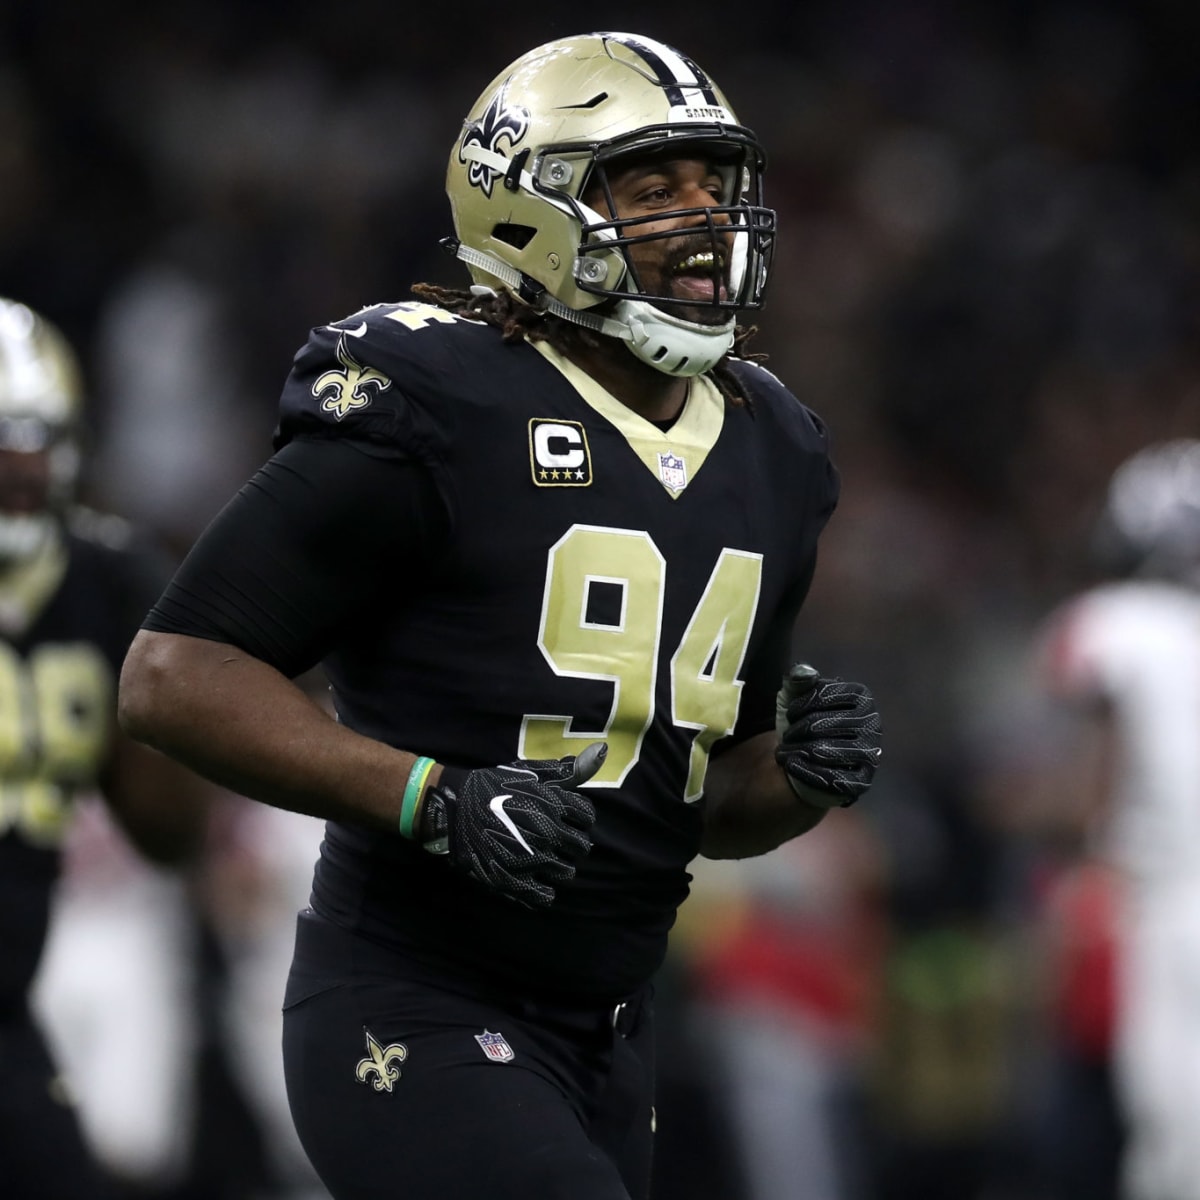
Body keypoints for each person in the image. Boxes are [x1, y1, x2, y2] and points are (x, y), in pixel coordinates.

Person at [117, 31, 883, 1200]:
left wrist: (801, 780)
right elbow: (172, 675)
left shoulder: (776, 445)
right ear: (533, 206)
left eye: (715, 187)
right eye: (652, 184)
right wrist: (431, 798)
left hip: (613, 1030)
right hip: (417, 999)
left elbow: (705, 799)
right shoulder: (438, 399)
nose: (702, 217)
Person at [0, 297, 211, 1199]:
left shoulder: (110, 583)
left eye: (37, 433)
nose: (21, 461)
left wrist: (174, 703)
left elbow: (168, 832)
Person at [1030, 438, 1200, 1200]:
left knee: (1166, 1142)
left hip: (1165, 900)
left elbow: (1097, 778)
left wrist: (1021, 805)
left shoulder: (1115, 622)